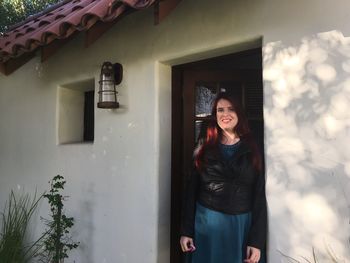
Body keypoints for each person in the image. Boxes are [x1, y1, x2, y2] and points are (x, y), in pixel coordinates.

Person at [180, 92, 267, 263]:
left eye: (230, 109)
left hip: (241, 225)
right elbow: (191, 191)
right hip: (206, 223)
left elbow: (259, 195)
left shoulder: (255, 146)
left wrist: (256, 241)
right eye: (220, 110)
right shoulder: (204, 145)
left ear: (239, 114)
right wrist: (186, 231)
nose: (225, 114)